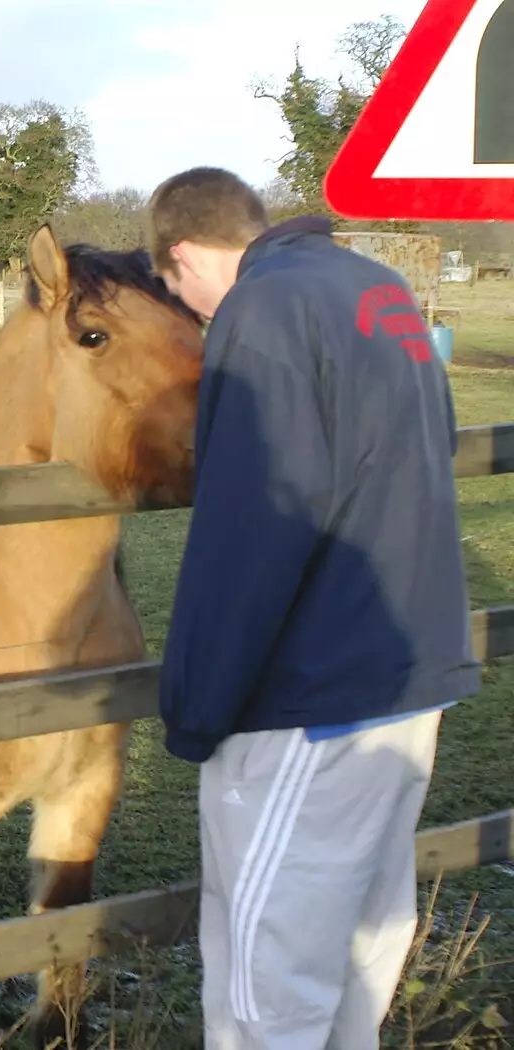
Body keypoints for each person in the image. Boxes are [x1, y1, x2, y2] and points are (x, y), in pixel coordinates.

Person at [147, 167, 480, 1048]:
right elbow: (431, 441)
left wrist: (195, 705)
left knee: (268, 984)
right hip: (413, 672)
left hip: (315, 700)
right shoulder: (376, 287)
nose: (196, 314)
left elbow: (254, 528)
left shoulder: (263, 311)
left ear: (182, 254)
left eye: (180, 292)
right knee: (360, 953)